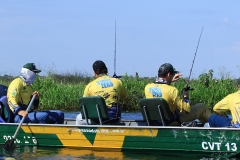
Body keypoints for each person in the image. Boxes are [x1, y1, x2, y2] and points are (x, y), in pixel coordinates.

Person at [144, 63, 212, 126]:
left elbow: (160, 87)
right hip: (172, 122)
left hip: (156, 122)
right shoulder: (172, 90)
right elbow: (186, 110)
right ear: (168, 74)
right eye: (172, 74)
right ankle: (216, 127)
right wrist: (186, 96)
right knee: (202, 107)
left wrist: (169, 80)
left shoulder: (147, 87)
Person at [76, 60, 128, 125]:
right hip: (115, 119)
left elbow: (84, 106)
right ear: (107, 70)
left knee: (78, 118)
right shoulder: (118, 82)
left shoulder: (89, 86)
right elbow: (124, 97)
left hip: (97, 121)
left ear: (95, 73)